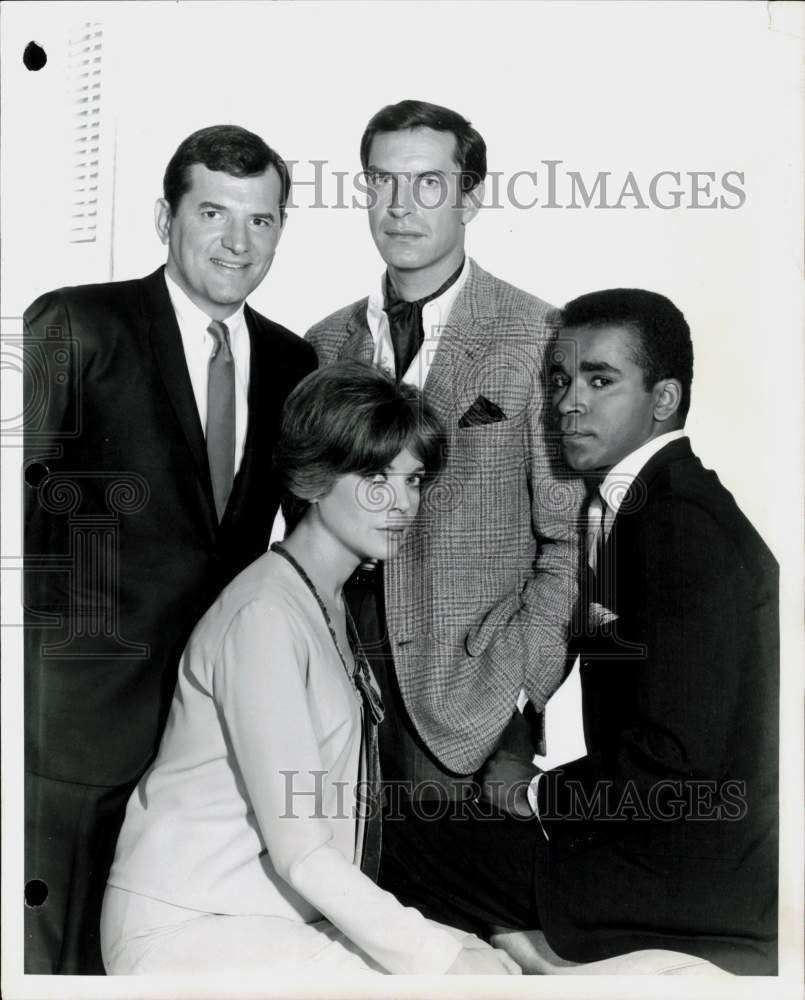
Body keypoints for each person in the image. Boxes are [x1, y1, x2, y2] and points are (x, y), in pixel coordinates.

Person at [378, 288, 779, 976]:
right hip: (663, 853)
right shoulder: (647, 510)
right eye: (559, 380)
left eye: (600, 380)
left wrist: (530, 794)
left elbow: (673, 765)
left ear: (663, 398)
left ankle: (537, 957)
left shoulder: (679, 529)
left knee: (386, 835)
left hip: (676, 881)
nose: (568, 403)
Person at [100, 361, 520, 976]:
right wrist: (440, 958)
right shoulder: (266, 614)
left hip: (262, 916)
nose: (401, 503)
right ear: (314, 480)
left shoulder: (325, 600)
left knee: (492, 965)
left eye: (414, 480)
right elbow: (303, 852)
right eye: (376, 476)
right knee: (464, 977)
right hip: (186, 927)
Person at [23, 125, 317, 974]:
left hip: (209, 740)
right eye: (214, 212)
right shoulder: (78, 324)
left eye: (261, 221)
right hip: (76, 724)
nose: (237, 241)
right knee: (55, 961)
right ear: (165, 216)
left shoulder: (293, 361)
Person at [306, 99, 581, 821]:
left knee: (464, 922)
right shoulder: (322, 344)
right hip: (332, 690)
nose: (400, 206)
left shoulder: (538, 336)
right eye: (381, 182)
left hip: (470, 708)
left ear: (471, 197)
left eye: (427, 182)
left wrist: (519, 695)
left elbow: (572, 541)